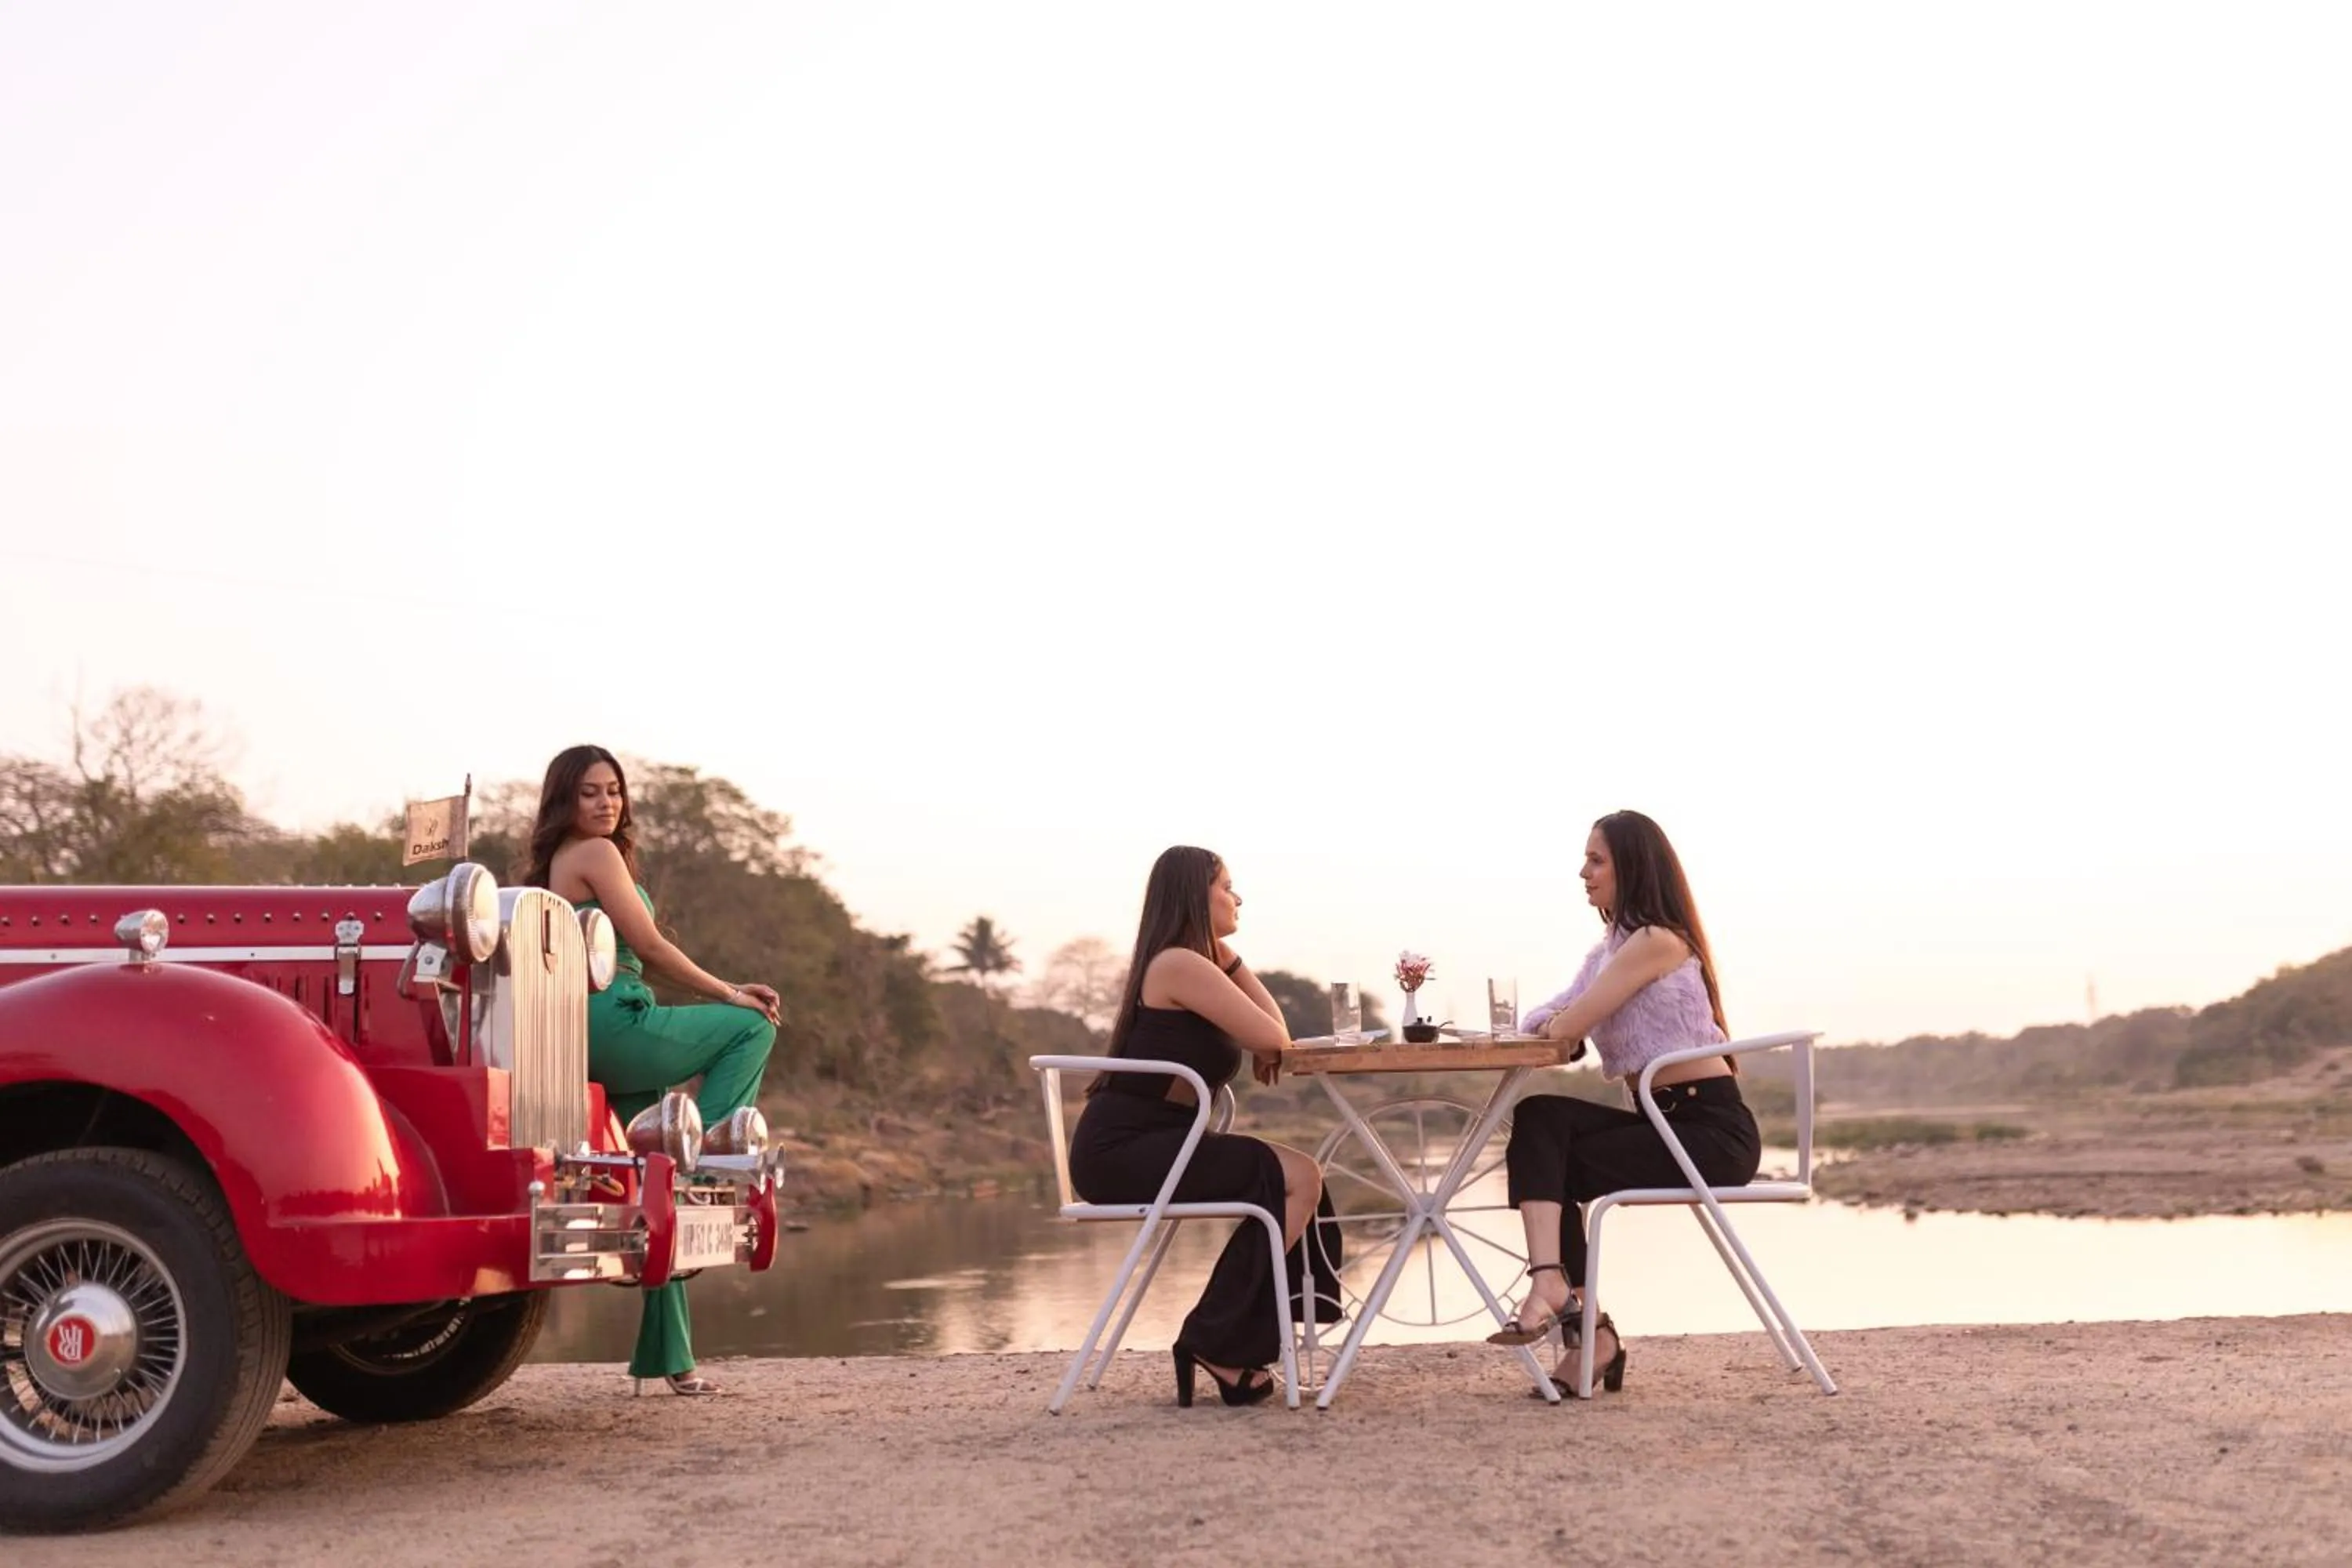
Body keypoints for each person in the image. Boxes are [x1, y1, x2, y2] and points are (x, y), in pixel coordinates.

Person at [522, 744, 781, 1397]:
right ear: (565, 800)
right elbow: (651, 948)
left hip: (590, 1028)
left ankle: (673, 1359)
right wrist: (730, 994)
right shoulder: (593, 855)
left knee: (651, 1185)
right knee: (750, 1027)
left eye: (613, 790)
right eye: (590, 792)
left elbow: (646, 956)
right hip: (615, 1022)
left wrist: (721, 986)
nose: (606, 802)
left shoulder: (563, 861)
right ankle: (712, 1158)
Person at [1486, 809, 1760, 1396]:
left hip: (1709, 1133)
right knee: (1540, 1125)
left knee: (1546, 1154)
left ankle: (1559, 1299)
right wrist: (1552, 1021)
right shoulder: (1611, 950)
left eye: (1596, 859)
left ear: (1631, 867)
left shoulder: (1655, 943)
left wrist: (1557, 1022)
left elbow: (1570, 1025)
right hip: (1664, 1123)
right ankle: (1577, 1314)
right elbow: (1553, 1015)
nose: (1583, 872)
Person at [1065, 845, 1342, 1406]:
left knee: (1299, 1176)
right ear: (1197, 895)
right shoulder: (1179, 965)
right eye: (1226, 887)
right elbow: (1274, 1040)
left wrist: (1227, 957)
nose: (1237, 898)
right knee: (1299, 1177)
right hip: (1126, 1150)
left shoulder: (1189, 962)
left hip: (1160, 1141)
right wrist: (1230, 963)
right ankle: (1213, 1340)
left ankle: (1223, 1338)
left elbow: (1274, 1032)